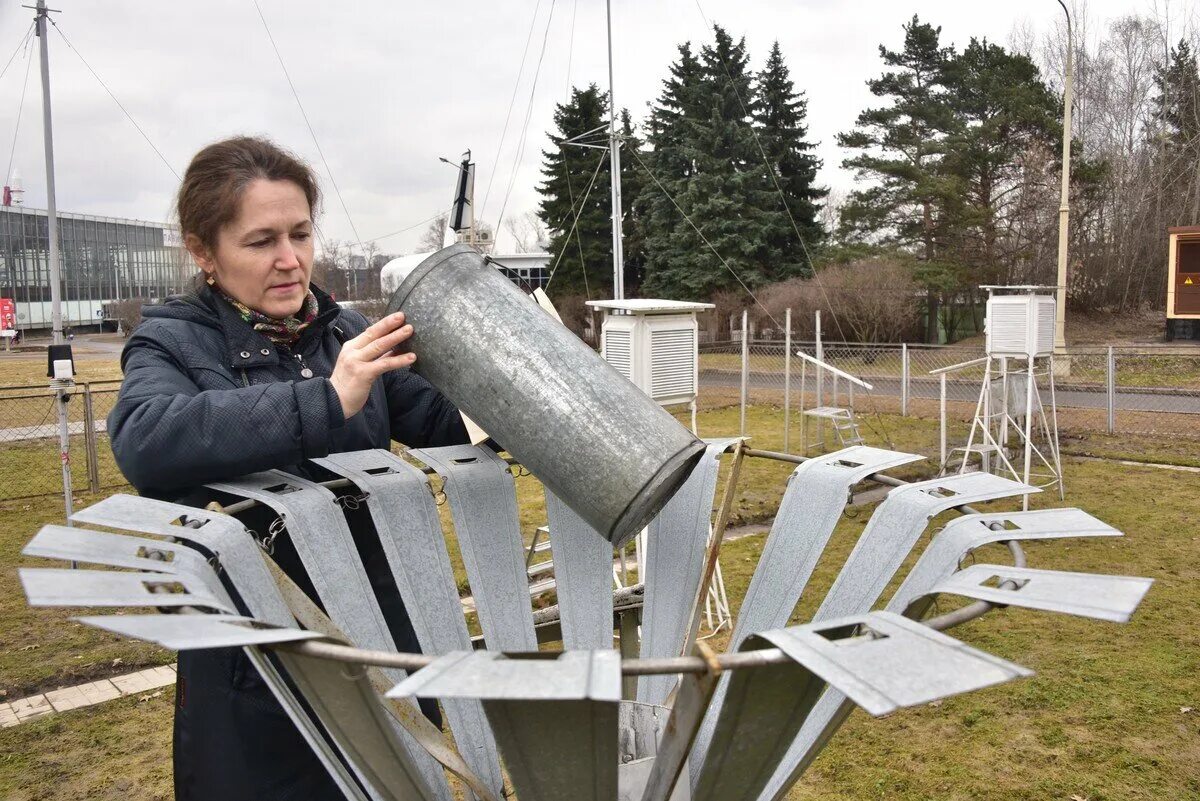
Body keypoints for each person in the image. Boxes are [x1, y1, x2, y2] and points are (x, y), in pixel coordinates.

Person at [107, 135, 469, 801]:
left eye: (300, 233)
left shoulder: (345, 331)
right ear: (202, 250)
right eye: (260, 240)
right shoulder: (173, 340)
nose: (290, 260)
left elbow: (451, 421)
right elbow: (145, 441)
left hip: (380, 647)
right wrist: (327, 400)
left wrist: (508, 383)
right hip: (254, 670)